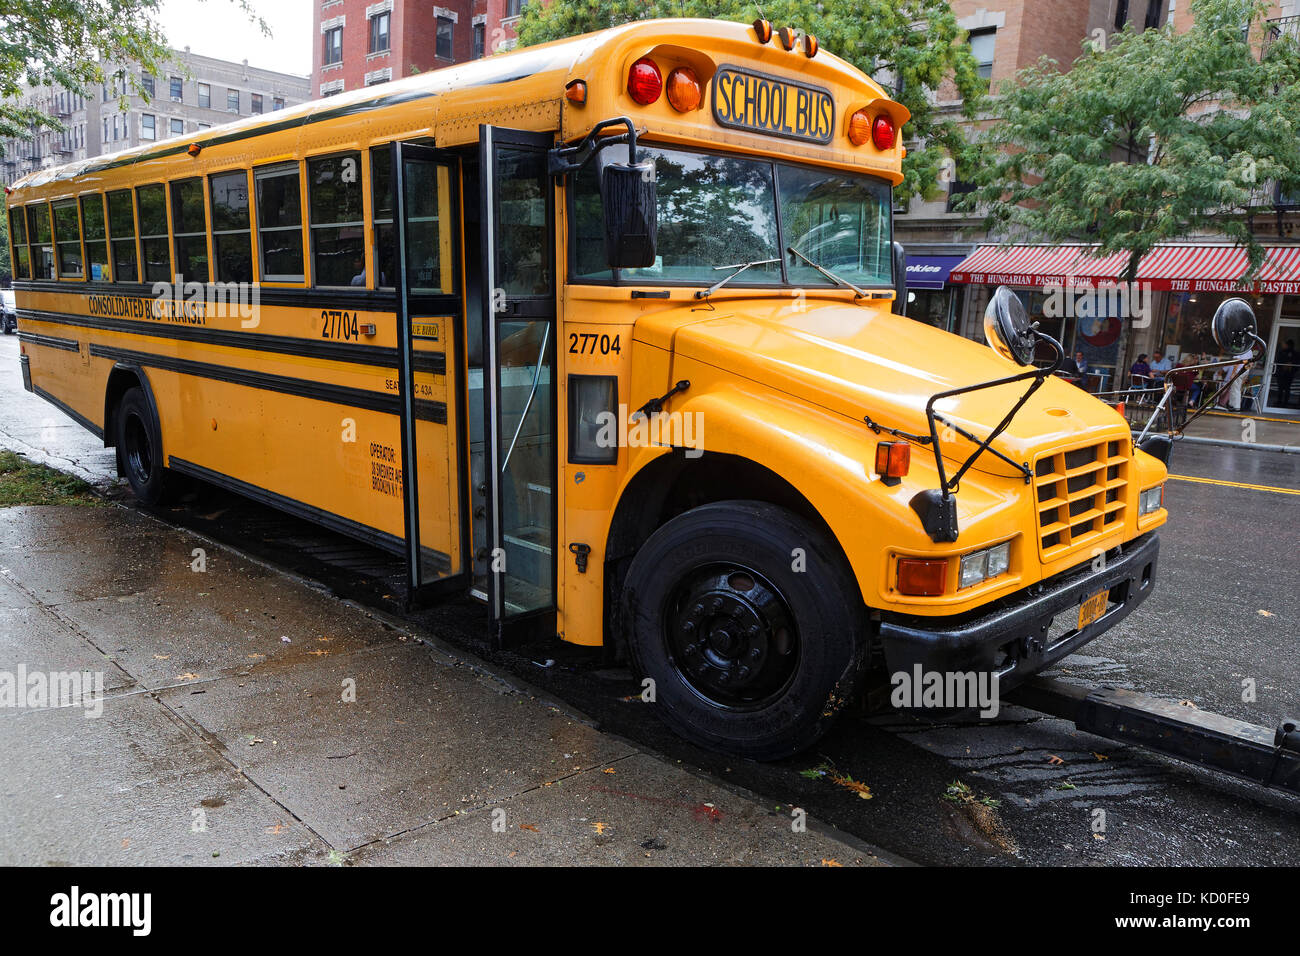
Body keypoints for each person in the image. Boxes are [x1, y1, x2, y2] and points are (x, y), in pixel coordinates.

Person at [1275, 338, 1297, 408]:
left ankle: (1284, 402)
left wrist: (1290, 367)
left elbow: (1295, 363)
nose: (1283, 345)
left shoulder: (1294, 353)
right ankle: (1280, 401)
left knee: (1286, 388)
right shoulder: (1282, 352)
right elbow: (1278, 361)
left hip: (1288, 374)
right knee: (1281, 388)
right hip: (1282, 373)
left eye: (1285, 344)